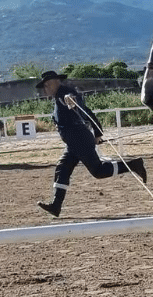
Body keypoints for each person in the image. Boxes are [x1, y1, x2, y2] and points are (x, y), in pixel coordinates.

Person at [35, 71, 147, 217]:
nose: (46, 89)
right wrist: (98, 132)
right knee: (62, 169)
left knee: (98, 171)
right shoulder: (59, 97)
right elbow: (87, 111)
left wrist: (70, 100)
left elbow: (74, 102)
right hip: (74, 143)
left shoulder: (65, 93)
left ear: (56, 82)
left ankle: (133, 165)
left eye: (47, 85)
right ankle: (56, 206)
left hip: (79, 140)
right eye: (45, 86)